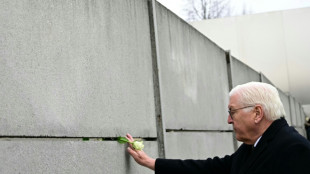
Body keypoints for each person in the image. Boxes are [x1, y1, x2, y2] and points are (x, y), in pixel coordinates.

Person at [125, 82, 310, 174]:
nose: (229, 120)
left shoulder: (294, 149)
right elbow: (210, 169)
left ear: (257, 113)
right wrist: (152, 163)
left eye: (232, 111)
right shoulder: (256, 145)